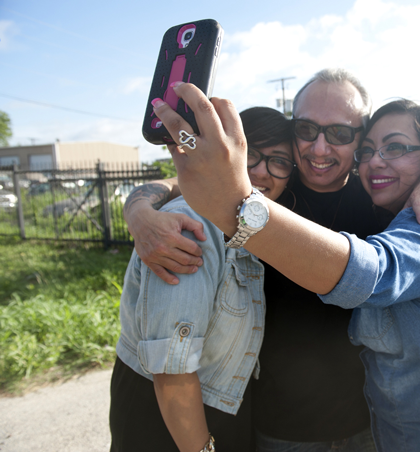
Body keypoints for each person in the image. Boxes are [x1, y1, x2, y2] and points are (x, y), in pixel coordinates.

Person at [152, 85, 420, 451]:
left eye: (345, 136)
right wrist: (141, 208)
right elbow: (181, 188)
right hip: (320, 427)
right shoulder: (277, 186)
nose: (320, 148)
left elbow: (369, 272)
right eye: (371, 151)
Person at [109, 107, 296, 452]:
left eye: (279, 161)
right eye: (250, 154)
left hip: (221, 407)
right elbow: (172, 373)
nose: (260, 171)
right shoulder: (191, 226)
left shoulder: (254, 222)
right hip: (167, 423)